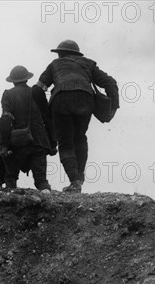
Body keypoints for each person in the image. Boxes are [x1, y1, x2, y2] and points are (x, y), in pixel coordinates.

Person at [37, 39, 119, 193]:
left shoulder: (55, 65)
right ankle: (79, 178)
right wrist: (113, 106)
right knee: (80, 137)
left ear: (60, 54)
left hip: (60, 100)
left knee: (65, 142)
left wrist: (45, 113)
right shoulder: (88, 63)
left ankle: (74, 181)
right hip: (85, 100)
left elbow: (37, 89)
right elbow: (110, 82)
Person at [0, 65, 53, 191]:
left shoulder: (8, 94)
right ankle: (47, 199)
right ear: (27, 79)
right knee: (41, 180)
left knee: (11, 177)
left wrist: (5, 145)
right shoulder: (36, 93)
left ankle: (11, 202)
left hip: (18, 143)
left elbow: (5, 120)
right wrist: (52, 143)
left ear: (12, 81)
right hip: (39, 142)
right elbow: (48, 118)